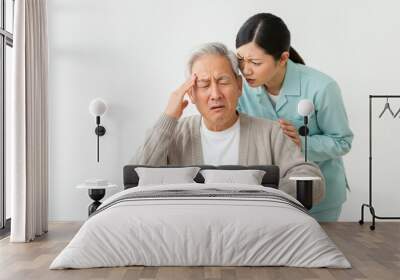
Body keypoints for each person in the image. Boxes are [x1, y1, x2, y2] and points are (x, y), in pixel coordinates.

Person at [131, 42, 325, 204]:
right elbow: (134, 180)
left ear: (239, 86)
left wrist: (259, 189)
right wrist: (168, 118)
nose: (215, 94)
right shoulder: (174, 135)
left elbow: (314, 185)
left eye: (223, 81)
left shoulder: (271, 132)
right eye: (204, 85)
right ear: (191, 93)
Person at [235, 13, 353, 221]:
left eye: (255, 62)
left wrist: (301, 142)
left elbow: (342, 141)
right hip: (267, 197)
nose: (246, 70)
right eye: (241, 60)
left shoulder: (322, 87)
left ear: (282, 59)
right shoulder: (240, 89)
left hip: (318, 199)